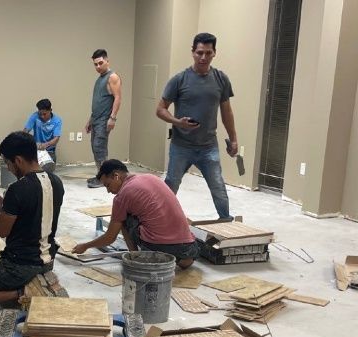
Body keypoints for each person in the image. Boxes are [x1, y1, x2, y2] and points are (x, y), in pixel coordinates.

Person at [0, 131, 65, 310]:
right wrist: (5, 207)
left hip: (21, 264)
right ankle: (35, 281)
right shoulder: (56, 182)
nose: (8, 169)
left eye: (7, 163)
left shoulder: (17, 188)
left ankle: (24, 292)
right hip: (47, 260)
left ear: (18, 160)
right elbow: (35, 212)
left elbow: (2, 230)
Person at [156, 32, 238, 219]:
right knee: (171, 185)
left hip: (209, 147)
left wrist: (233, 139)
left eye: (208, 53)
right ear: (192, 52)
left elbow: (227, 112)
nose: (203, 57)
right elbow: (160, 109)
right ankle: (158, 222)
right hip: (181, 146)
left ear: (214, 53)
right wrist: (178, 122)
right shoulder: (179, 80)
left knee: (218, 187)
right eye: (199, 52)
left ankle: (225, 221)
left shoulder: (221, 79)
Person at [72, 160, 199, 269]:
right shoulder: (151, 177)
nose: (108, 191)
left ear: (116, 176)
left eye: (108, 185)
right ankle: (184, 259)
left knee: (122, 219)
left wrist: (85, 246)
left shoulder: (122, 196)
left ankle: (135, 257)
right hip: (188, 245)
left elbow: (110, 237)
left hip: (160, 246)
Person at [85, 49, 122, 188]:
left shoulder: (112, 77)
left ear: (107, 61)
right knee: (95, 148)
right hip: (96, 119)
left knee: (99, 148)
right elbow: (98, 102)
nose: (98, 66)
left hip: (104, 120)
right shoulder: (99, 79)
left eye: (100, 63)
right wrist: (90, 120)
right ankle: (100, 175)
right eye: (95, 64)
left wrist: (113, 118)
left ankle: (104, 179)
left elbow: (118, 98)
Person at [23, 98, 62, 163]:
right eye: (40, 114)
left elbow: (56, 139)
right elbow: (25, 131)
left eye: (44, 114)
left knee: (49, 167)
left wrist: (44, 145)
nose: (42, 116)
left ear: (50, 110)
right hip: (36, 150)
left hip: (50, 150)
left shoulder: (57, 120)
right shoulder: (35, 116)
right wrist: (30, 143)